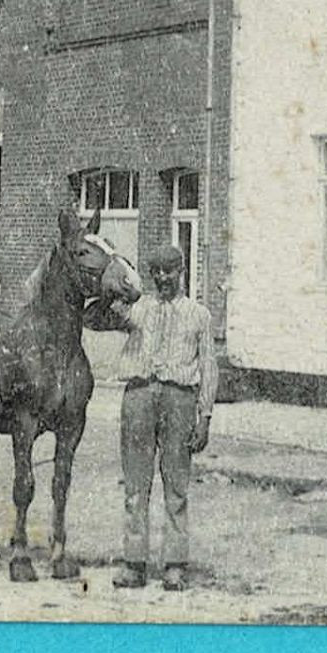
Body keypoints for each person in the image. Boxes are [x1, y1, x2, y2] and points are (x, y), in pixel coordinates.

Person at [111, 244, 218, 591]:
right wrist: (120, 284)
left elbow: (208, 368)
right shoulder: (138, 309)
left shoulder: (198, 315)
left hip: (179, 400)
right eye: (156, 272)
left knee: (176, 486)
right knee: (135, 485)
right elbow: (99, 311)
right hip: (139, 396)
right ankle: (134, 563)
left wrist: (205, 416)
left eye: (169, 271)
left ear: (181, 271)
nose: (162, 278)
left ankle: (174, 565)